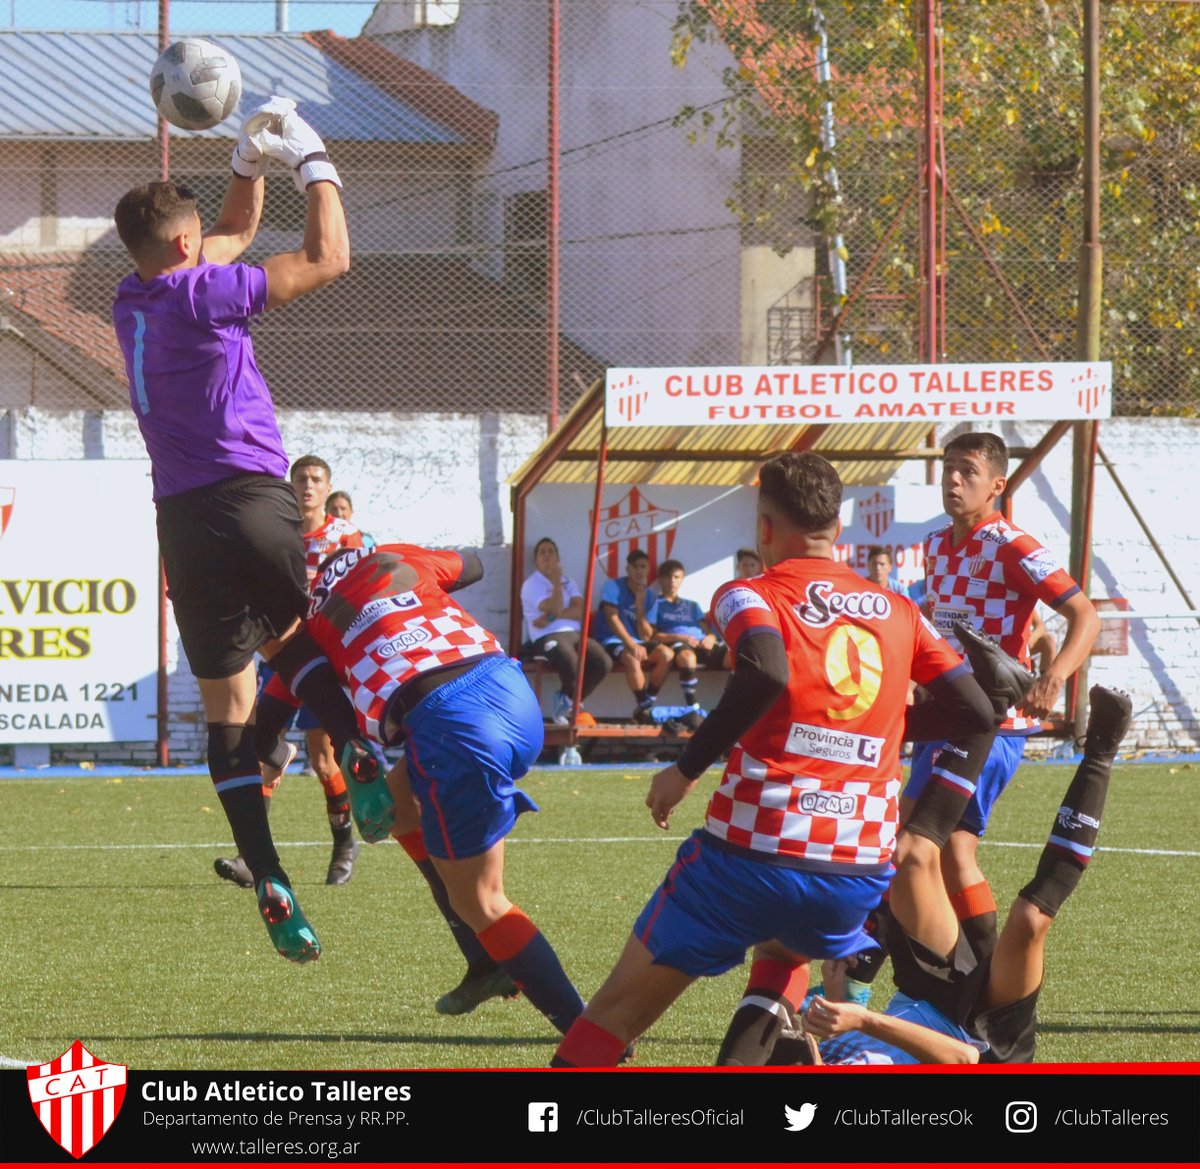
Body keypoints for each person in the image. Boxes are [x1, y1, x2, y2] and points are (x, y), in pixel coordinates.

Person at [550, 452, 994, 1067]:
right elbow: (977, 711)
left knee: (612, 1017)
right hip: (853, 871)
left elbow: (765, 668)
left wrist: (684, 770)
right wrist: (887, 729)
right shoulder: (900, 611)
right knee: (784, 954)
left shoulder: (748, 594)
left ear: (763, 527)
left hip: (748, 855)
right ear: (837, 527)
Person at [111, 99, 381, 964]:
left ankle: (269, 873)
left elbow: (225, 228)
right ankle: (366, 760)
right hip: (254, 497)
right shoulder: (207, 292)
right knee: (299, 641)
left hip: (182, 522)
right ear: (185, 248)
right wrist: (311, 159)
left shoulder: (134, 295)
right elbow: (328, 257)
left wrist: (244, 160)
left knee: (225, 703)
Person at [256, 542, 585, 1036]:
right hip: (508, 688)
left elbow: (273, 712)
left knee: (481, 901)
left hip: (448, 721)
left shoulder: (306, 618)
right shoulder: (393, 555)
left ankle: (591, 1033)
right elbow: (473, 565)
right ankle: (483, 961)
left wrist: (265, 755)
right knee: (399, 811)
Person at [791, 685, 1132, 1065]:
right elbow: (963, 1058)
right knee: (1030, 920)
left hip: (925, 1000)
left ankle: (992, 699)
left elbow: (845, 1034)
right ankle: (1101, 751)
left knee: (911, 856)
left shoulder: (825, 1056)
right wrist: (865, 1019)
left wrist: (840, 997)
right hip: (990, 1049)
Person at [905, 431, 1101, 912]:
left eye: (967, 471)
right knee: (915, 846)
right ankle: (945, 971)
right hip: (942, 716)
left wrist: (1053, 677)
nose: (953, 478)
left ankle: (962, 969)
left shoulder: (1012, 545)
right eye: (949, 466)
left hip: (992, 720)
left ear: (996, 485)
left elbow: (1085, 615)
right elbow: (939, 629)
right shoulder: (934, 545)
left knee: (943, 845)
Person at [213, 454, 363, 889]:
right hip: (285, 654)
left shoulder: (343, 534)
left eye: (316, 479)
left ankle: (343, 846)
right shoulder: (278, 529)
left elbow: (355, 590)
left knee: (323, 759)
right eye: (301, 478)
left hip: (326, 659)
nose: (308, 486)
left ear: (327, 485)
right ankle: (251, 857)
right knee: (261, 747)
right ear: (290, 484)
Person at [520, 537, 609, 725]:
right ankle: (573, 708)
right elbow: (554, 607)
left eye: (551, 551)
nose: (546, 555)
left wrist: (552, 617)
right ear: (535, 559)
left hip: (574, 634)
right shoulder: (531, 585)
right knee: (571, 661)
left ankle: (567, 700)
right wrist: (557, 584)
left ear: (558, 557)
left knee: (603, 661)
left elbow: (581, 611)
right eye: (542, 552)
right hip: (546, 636)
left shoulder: (569, 581)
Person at [648, 559, 725, 727]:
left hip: (701, 642)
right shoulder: (656, 604)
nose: (672, 581)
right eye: (668, 577)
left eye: (677, 577)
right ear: (660, 579)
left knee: (734, 656)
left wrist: (711, 638)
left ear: (682, 579)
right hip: (678, 643)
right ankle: (693, 707)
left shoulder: (692, 605)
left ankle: (732, 709)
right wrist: (680, 638)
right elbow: (652, 635)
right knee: (687, 657)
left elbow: (707, 629)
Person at [599, 549, 673, 724]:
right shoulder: (613, 586)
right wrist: (631, 644)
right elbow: (612, 618)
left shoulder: (649, 595)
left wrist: (640, 607)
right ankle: (645, 708)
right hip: (611, 640)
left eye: (643, 567)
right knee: (632, 658)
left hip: (637, 641)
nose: (639, 571)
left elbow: (646, 636)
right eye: (635, 567)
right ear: (628, 569)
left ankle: (645, 706)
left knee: (667, 655)